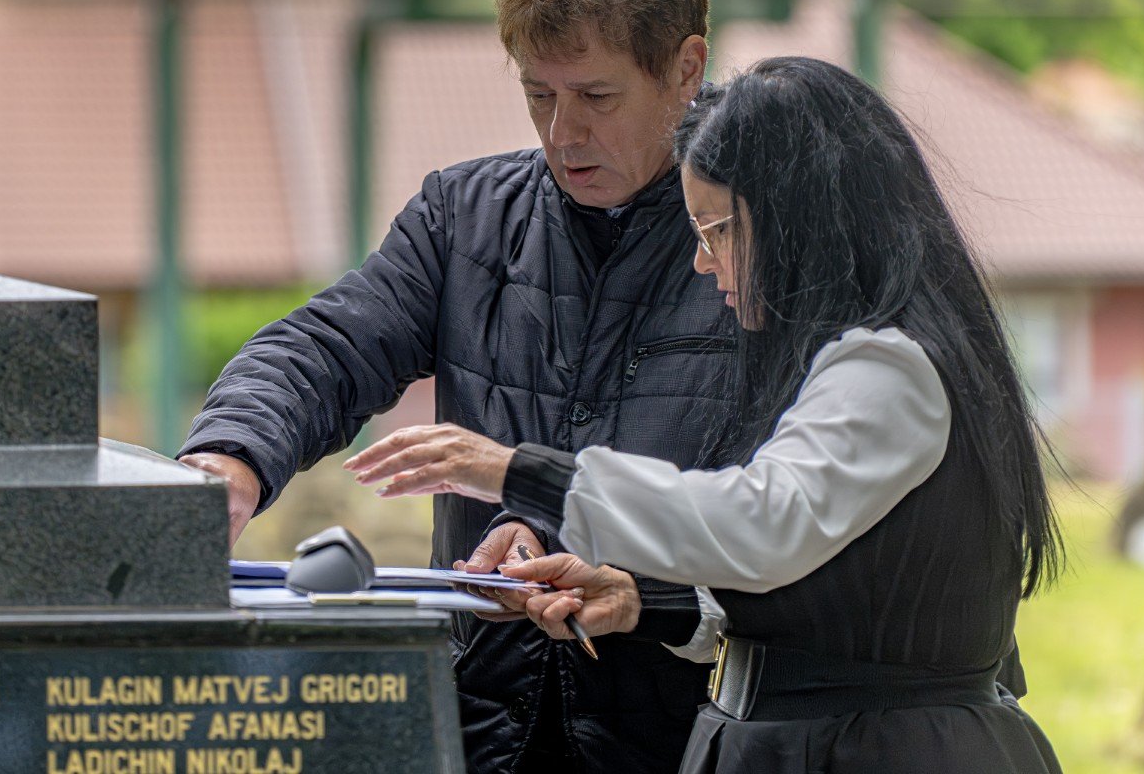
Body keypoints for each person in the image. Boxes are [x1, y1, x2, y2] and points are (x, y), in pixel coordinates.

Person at [346, 56, 1063, 773]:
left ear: (801, 224)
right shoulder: (846, 362)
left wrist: (517, 472)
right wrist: (644, 603)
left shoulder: (888, 367)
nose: (703, 261)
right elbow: (828, 593)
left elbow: (763, 523)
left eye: (717, 229)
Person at [177, 0, 739, 773]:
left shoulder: (757, 245)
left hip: (683, 734)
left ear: (686, 69)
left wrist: (602, 558)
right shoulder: (464, 216)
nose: (562, 134)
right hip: (480, 727)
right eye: (538, 96)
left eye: (595, 97)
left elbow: (793, 512)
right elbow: (326, 347)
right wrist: (229, 459)